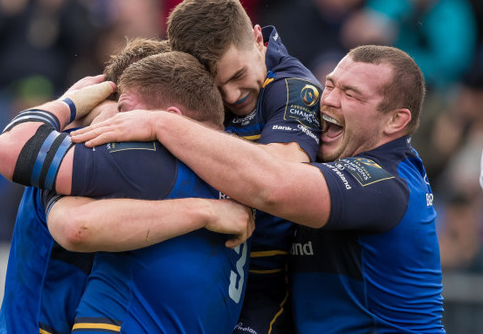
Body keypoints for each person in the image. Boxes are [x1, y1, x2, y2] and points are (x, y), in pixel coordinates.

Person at [72, 44, 445, 332]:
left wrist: (161, 125)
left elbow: (273, 186)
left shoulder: (384, 182)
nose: (329, 99)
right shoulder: (336, 156)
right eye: (329, 83)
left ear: (396, 121)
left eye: (352, 94)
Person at [0, 49, 254, 333]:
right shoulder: (239, 167)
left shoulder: (145, 158)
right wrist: (205, 212)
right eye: (118, 109)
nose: (118, 123)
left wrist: (67, 104)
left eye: (124, 110)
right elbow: (73, 225)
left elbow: (75, 225)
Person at [165, 0, 322, 333]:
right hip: (199, 273)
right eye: (216, 89)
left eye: (237, 77)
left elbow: (278, 176)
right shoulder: (187, 87)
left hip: (268, 290)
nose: (233, 97)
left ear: (257, 38)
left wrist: (165, 127)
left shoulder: (293, 89)